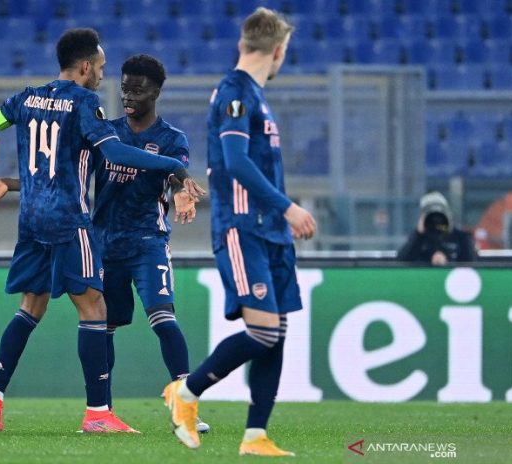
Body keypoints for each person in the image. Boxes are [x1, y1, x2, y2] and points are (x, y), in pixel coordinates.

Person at [0, 28, 203, 434]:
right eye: (103, 68)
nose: (104, 78)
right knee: (94, 310)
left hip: (31, 221)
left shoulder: (22, 99)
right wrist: (174, 168)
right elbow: (112, 152)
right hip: (70, 221)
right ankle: (97, 414)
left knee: (29, 308)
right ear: (87, 66)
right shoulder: (84, 103)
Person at [162, 7, 316, 457]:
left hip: (270, 234)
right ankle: (185, 392)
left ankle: (255, 436)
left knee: (277, 330)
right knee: (263, 332)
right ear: (280, 51)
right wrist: (287, 207)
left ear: (242, 44)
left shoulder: (255, 95)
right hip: (244, 227)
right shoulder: (234, 92)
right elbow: (235, 161)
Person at [397, 191, 477, 265]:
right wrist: (418, 234)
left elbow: (472, 267)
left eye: (439, 215)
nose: (436, 221)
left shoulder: (461, 238)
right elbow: (401, 262)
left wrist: (447, 262)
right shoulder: (418, 238)